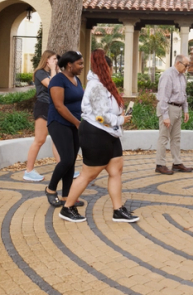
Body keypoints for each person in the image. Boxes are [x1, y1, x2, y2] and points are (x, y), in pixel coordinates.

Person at [57, 50, 139, 223]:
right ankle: (67, 208)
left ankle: (118, 210)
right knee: (89, 174)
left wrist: (120, 114)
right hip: (96, 133)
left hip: (110, 133)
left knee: (116, 170)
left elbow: (109, 109)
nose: (113, 72)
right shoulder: (96, 86)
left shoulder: (103, 84)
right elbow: (101, 115)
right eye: (111, 68)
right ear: (106, 67)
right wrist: (121, 119)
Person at [45, 51, 86, 208]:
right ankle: (50, 188)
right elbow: (59, 106)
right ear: (69, 65)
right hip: (59, 122)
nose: (82, 66)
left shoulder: (77, 80)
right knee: (67, 159)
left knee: (72, 160)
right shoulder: (57, 80)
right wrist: (77, 122)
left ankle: (66, 197)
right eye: (79, 64)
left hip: (75, 123)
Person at [23, 50, 62, 181]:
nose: (56, 61)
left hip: (53, 107)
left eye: (57, 59)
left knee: (57, 139)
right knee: (40, 140)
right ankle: (28, 171)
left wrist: (57, 70)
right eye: (54, 59)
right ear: (47, 60)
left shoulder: (54, 72)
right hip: (43, 107)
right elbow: (52, 85)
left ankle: (62, 168)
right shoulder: (40, 73)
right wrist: (53, 70)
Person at [155, 54, 193, 175]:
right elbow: (162, 98)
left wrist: (185, 109)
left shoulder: (182, 76)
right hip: (168, 108)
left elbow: (183, 94)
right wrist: (165, 116)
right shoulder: (168, 75)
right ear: (178, 63)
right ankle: (160, 164)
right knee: (164, 137)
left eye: (188, 65)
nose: (187, 68)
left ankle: (177, 163)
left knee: (176, 138)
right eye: (186, 65)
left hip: (178, 109)